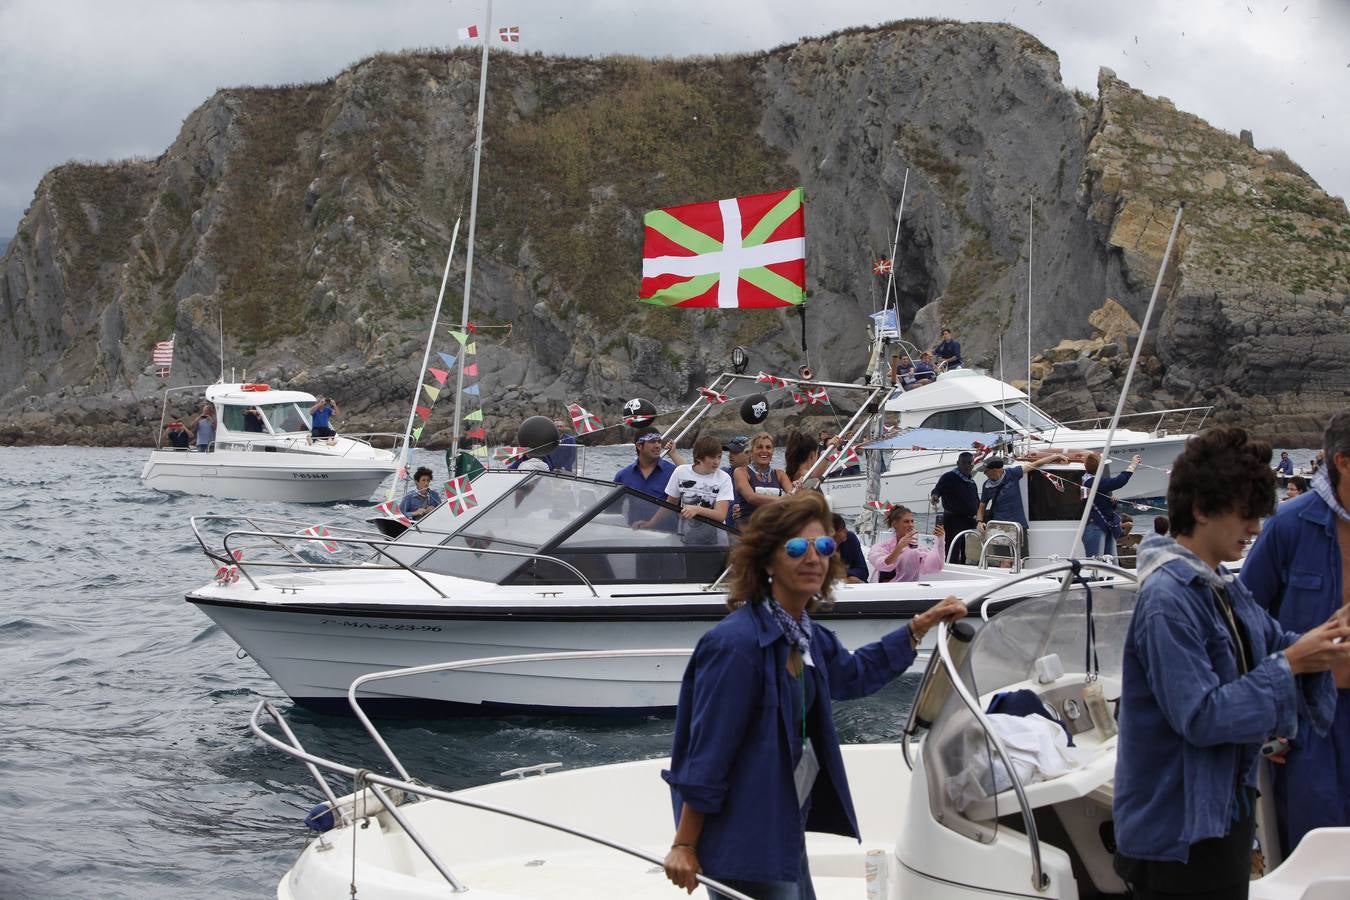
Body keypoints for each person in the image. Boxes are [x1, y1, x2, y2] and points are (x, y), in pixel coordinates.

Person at [661, 491, 966, 899]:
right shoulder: (735, 645)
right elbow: (707, 753)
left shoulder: (804, 633)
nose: (812, 558)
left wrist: (918, 627)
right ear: (767, 559)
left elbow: (852, 675)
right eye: (795, 547)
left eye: (822, 546)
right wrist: (684, 844)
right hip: (744, 835)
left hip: (781, 821)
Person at [1113, 426, 1350, 898]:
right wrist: (1294, 664)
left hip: (1221, 814)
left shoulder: (1220, 584)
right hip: (1178, 835)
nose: (1256, 530)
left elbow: (1275, 640)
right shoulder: (1167, 600)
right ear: (1201, 510)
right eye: (1246, 515)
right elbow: (1201, 717)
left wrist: (1331, 635)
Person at [1240, 410, 1350, 854]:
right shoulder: (1289, 526)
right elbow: (1242, 625)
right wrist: (1266, 718)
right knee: (1316, 851)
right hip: (1310, 726)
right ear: (1343, 460)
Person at [636, 436, 734, 545]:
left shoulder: (724, 478)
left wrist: (697, 510)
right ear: (699, 457)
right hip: (686, 539)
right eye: (712, 457)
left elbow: (720, 515)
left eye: (719, 457)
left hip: (716, 543)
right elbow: (670, 504)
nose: (716, 462)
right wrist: (650, 523)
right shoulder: (680, 472)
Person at [976, 453, 1067, 555]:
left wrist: (1055, 456)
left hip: (1017, 524)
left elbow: (1034, 465)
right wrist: (979, 521)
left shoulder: (1012, 473)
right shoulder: (987, 485)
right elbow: (982, 506)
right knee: (1003, 560)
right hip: (999, 526)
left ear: (995, 471)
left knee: (1021, 559)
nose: (984, 474)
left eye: (986, 471)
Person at [1081, 452, 1142, 558]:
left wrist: (1111, 503)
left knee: (1111, 564)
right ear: (1100, 467)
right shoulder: (1093, 482)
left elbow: (1096, 502)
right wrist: (1132, 465)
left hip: (1104, 525)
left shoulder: (1088, 481)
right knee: (1096, 564)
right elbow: (1119, 481)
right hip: (1096, 526)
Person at [614, 432, 684, 522]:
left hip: (668, 534)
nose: (658, 446)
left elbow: (694, 478)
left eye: (659, 442)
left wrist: (674, 454)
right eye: (652, 442)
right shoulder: (623, 475)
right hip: (633, 533)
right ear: (639, 446)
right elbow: (613, 510)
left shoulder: (674, 472)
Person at [869, 505, 945, 583]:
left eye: (912, 521)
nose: (911, 525)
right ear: (895, 524)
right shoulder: (880, 547)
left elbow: (935, 566)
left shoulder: (917, 550)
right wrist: (899, 548)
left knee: (911, 552)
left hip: (908, 590)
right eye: (906, 521)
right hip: (881, 590)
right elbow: (882, 565)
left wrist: (939, 540)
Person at [930, 451, 980, 565]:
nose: (967, 466)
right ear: (958, 463)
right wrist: (935, 496)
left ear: (972, 464)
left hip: (969, 521)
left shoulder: (971, 481)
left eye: (969, 463)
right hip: (953, 521)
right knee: (953, 551)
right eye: (964, 463)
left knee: (965, 553)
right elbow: (937, 490)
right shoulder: (949, 477)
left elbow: (976, 500)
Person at [733, 432, 794, 519]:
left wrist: (797, 490)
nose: (764, 450)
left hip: (773, 528)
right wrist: (782, 500)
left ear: (772, 452)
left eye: (768, 447)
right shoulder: (741, 472)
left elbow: (792, 497)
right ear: (750, 452)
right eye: (759, 447)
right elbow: (751, 497)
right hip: (747, 529)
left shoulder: (780, 474)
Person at [721, 436, 751, 527]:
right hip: (724, 529)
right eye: (730, 452)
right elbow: (697, 472)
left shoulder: (758, 476)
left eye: (735, 452)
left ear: (749, 453)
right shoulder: (724, 473)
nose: (730, 455)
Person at [831, 514, 868, 583]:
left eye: (845, 527)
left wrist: (844, 575)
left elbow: (864, 571)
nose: (846, 530)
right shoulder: (819, 547)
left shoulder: (850, 538)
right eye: (841, 529)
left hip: (851, 583)